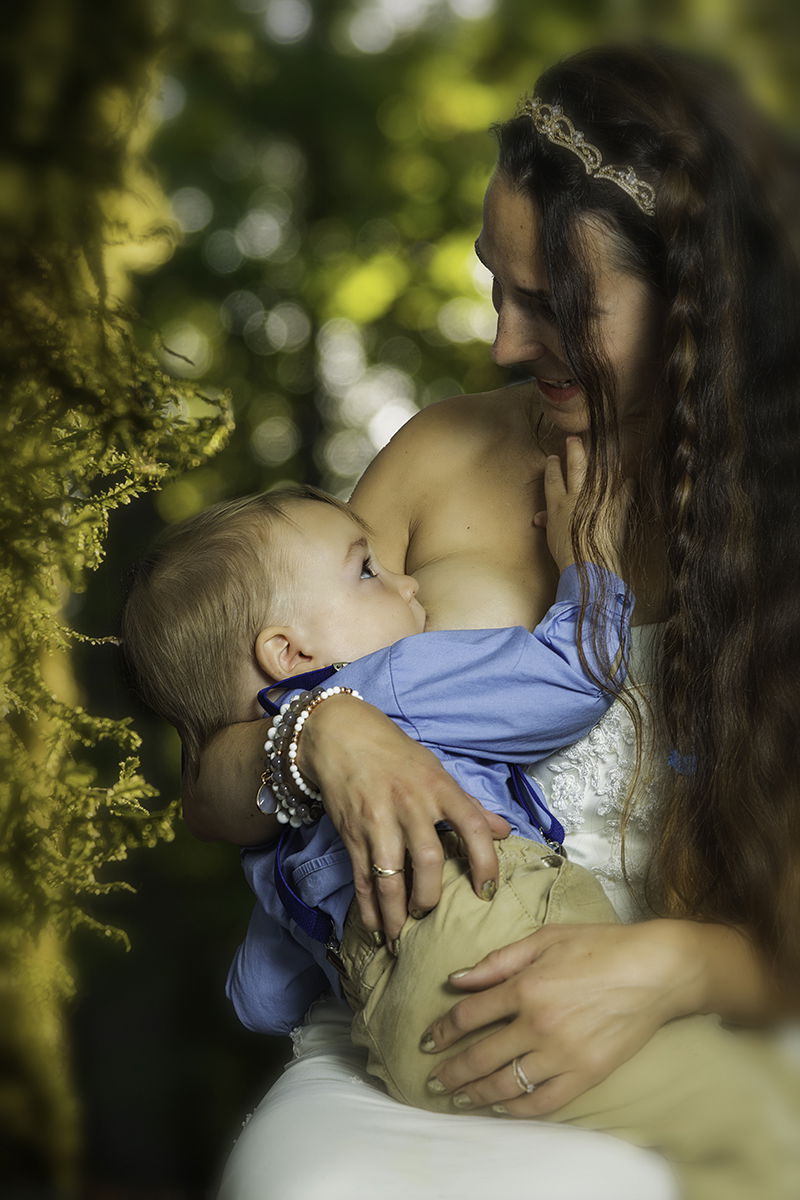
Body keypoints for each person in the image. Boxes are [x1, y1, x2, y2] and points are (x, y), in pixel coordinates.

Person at [184, 42, 800, 1200]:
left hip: (718, 1010)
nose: (505, 345)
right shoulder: (438, 452)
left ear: (694, 300)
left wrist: (671, 964)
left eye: (556, 305)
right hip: (413, 1019)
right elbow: (209, 790)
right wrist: (319, 737)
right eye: (495, 285)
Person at [122, 476, 795, 1200]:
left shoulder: (270, 846)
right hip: (505, 963)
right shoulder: (387, 681)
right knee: (755, 1119)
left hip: (402, 1046)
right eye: (367, 571)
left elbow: (258, 994)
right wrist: (590, 565)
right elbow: (571, 681)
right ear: (290, 652)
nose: (409, 583)